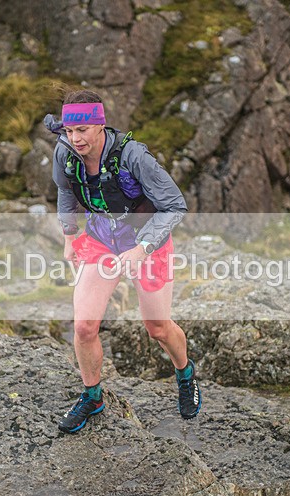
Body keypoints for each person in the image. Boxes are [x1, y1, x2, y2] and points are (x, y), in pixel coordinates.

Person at [43, 89, 201, 433]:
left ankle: (185, 374)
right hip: (101, 239)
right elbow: (65, 190)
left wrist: (142, 247)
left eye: (82, 130)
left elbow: (175, 205)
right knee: (84, 326)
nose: (75, 138)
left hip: (148, 242)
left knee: (157, 327)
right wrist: (70, 236)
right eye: (69, 131)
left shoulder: (133, 156)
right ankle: (92, 396)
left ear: (100, 124)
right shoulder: (65, 153)